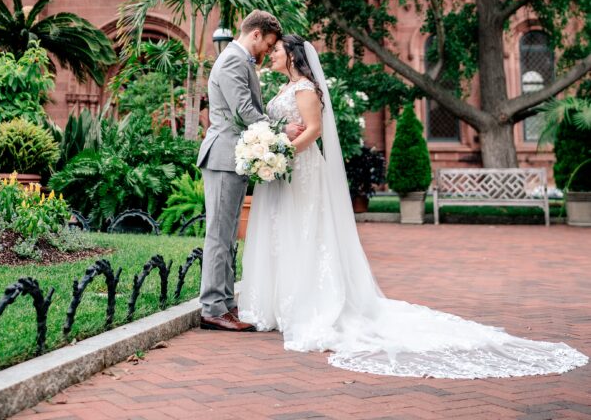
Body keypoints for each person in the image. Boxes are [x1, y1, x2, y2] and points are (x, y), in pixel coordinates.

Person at [239, 34, 588, 379]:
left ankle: (309, 305)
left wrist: (281, 153)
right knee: (285, 232)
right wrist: (271, 146)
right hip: (286, 171)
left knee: (305, 232)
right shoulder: (285, 88)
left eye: (277, 49)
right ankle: (282, 303)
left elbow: (314, 130)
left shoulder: (305, 89)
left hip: (301, 170)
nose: (271, 53)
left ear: (293, 55)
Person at [197, 10, 303, 332]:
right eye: (268, 44)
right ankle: (212, 308)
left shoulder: (241, 61)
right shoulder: (233, 60)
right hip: (223, 157)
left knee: (228, 235)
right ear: (256, 34)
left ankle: (226, 303)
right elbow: (245, 111)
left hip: (234, 157)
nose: (268, 51)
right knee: (219, 234)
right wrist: (282, 129)